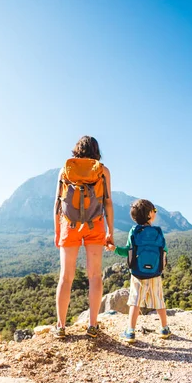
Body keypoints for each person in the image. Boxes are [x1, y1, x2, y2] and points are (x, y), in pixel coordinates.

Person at [53, 136, 114, 339]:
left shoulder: (65, 170)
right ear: (96, 150)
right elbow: (107, 203)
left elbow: (57, 204)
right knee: (95, 275)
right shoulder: (102, 170)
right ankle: (93, 325)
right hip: (95, 224)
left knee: (66, 276)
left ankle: (61, 327)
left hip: (68, 225)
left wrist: (57, 232)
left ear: (76, 150)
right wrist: (110, 232)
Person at [106, 199, 171, 344]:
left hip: (137, 273)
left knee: (134, 301)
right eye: (155, 210)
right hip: (155, 273)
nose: (155, 213)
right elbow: (164, 250)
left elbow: (127, 251)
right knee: (159, 300)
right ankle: (164, 328)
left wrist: (113, 248)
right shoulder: (158, 232)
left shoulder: (133, 231)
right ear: (150, 214)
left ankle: (130, 331)